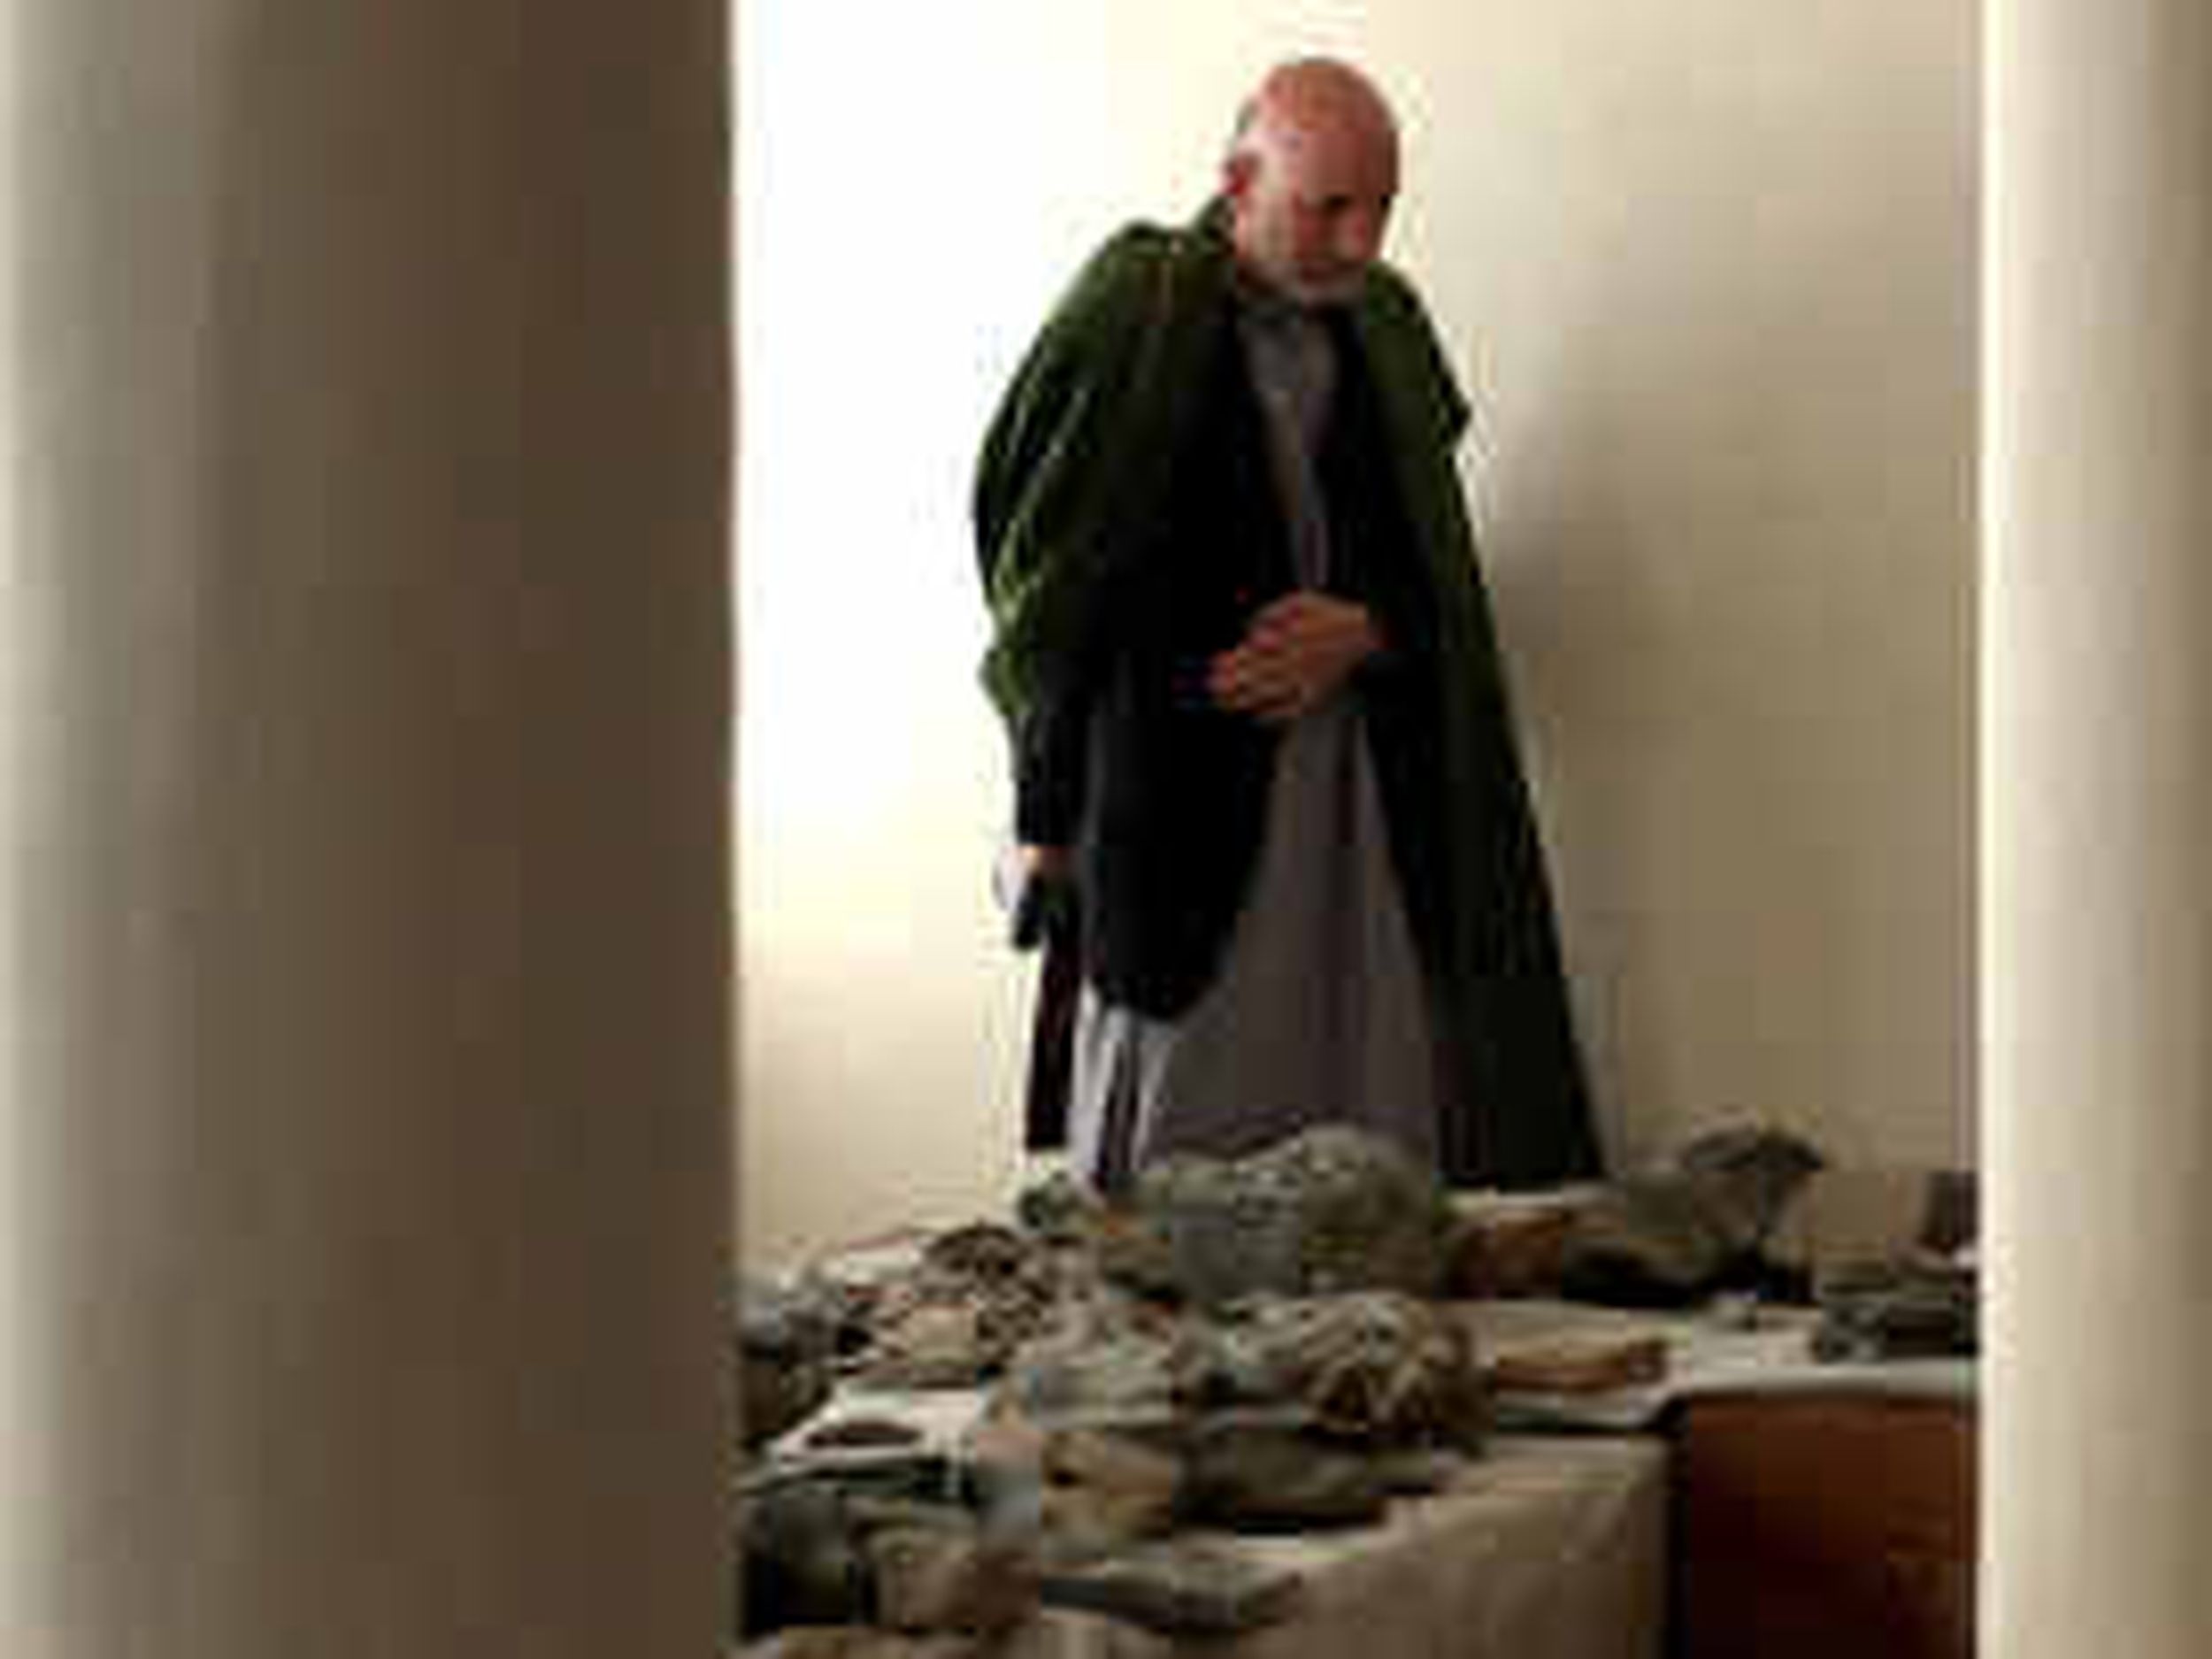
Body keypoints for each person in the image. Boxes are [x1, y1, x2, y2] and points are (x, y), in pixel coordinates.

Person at [975, 58, 1602, 1193]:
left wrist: (1365, 631)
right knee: (1176, 1167)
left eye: (1382, 209)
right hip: (1179, 801)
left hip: (1358, 805)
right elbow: (1054, 584)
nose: (1362, 243)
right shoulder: (1136, 313)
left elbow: (1435, 569)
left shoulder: (1387, 327)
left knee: (1370, 1133)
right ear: (1238, 182)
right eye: (1330, 209)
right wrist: (1042, 812)